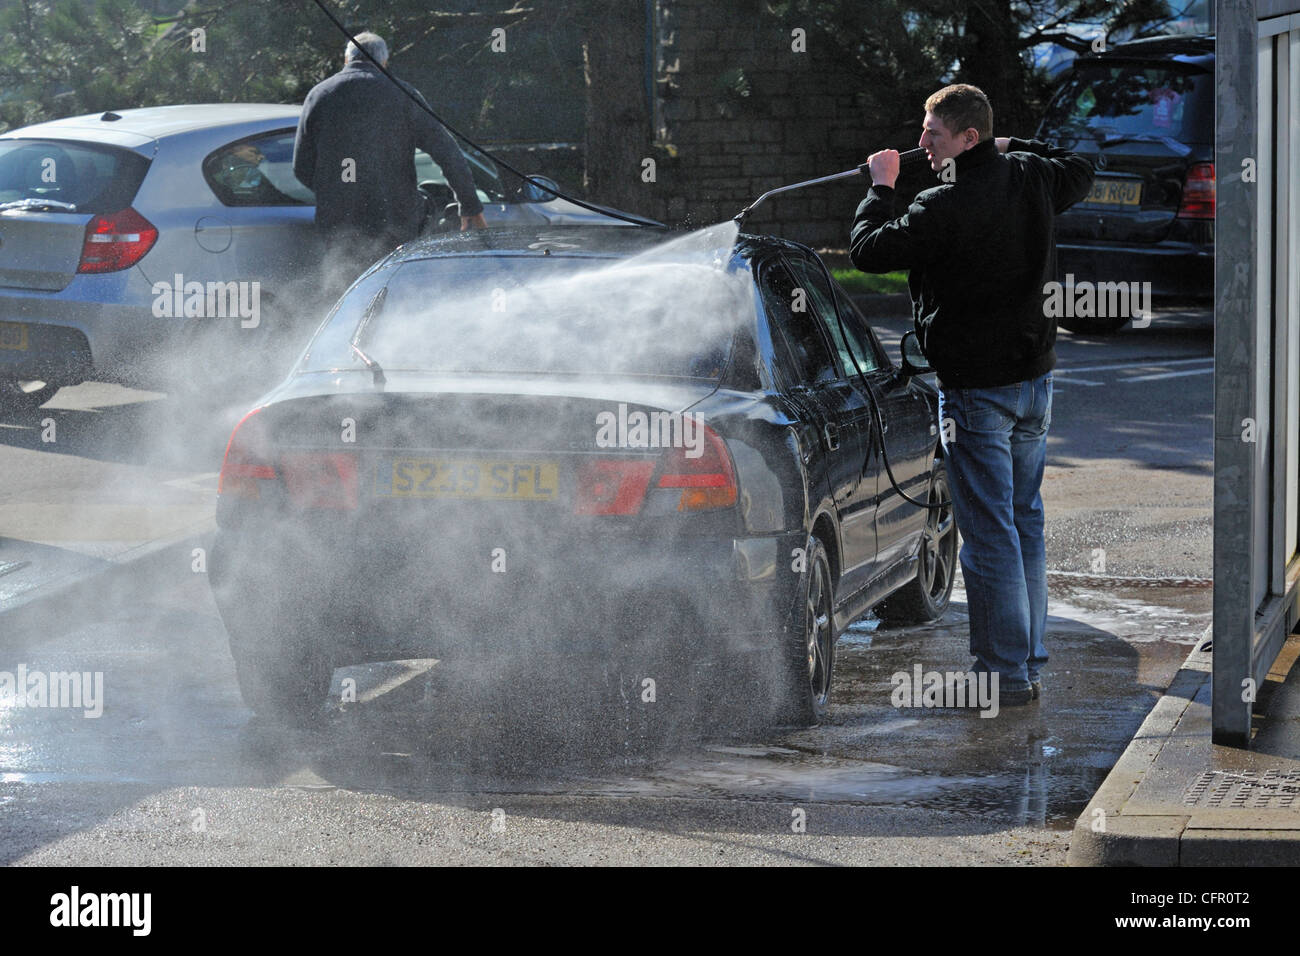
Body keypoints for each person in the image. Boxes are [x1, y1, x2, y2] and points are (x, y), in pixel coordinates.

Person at [850, 83, 1093, 706]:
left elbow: (870, 250)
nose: (923, 144)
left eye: (934, 133)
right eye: (925, 131)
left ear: (968, 137)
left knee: (989, 534)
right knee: (1022, 522)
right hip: (1034, 382)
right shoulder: (1030, 176)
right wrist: (1011, 143)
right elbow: (1079, 165)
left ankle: (1005, 675)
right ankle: (1025, 659)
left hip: (977, 394)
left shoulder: (943, 203)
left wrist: (880, 186)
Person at [293, 30, 487, 270]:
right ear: (384, 62)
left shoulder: (319, 95)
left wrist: (335, 191)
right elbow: (447, 153)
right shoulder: (404, 95)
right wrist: (470, 205)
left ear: (346, 60)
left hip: (339, 218)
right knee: (393, 285)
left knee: (344, 285)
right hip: (395, 216)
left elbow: (301, 166)